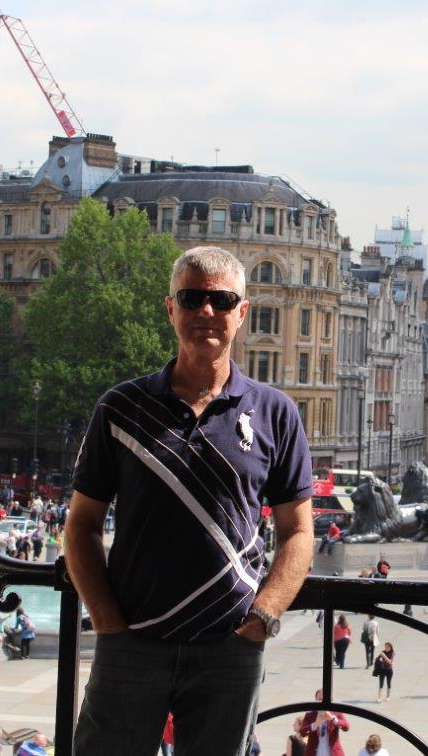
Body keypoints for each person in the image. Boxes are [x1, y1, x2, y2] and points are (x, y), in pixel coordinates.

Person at [65, 246, 316, 756]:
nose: (207, 311)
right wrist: (109, 624)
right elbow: (81, 525)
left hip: (230, 647)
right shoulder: (121, 407)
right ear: (170, 308)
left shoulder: (276, 413)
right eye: (192, 297)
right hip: (132, 642)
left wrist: (262, 618)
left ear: (241, 313)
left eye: (222, 300)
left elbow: (298, 532)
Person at [298, 689, 350, 756]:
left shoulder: (336, 712)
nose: (321, 703)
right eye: (319, 700)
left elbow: (346, 727)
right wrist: (315, 724)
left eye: (324, 700)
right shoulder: (310, 714)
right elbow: (302, 732)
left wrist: (333, 719)